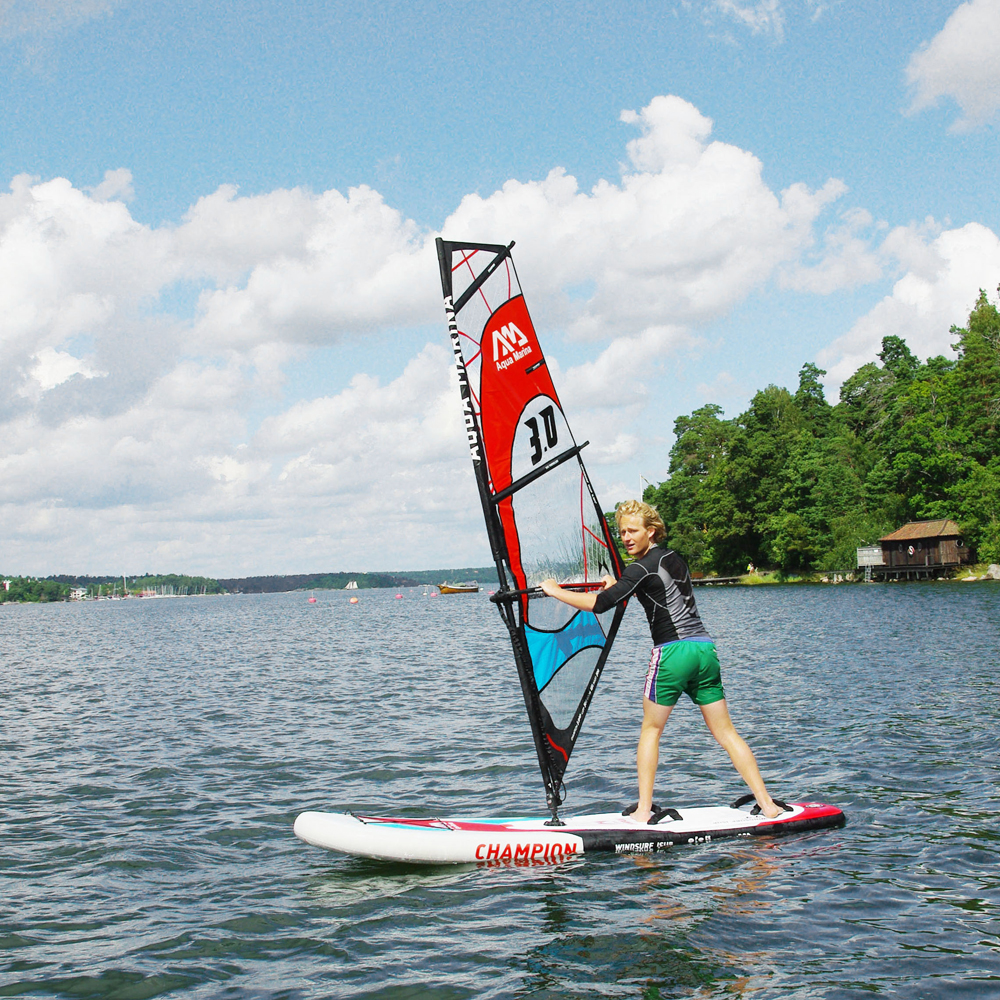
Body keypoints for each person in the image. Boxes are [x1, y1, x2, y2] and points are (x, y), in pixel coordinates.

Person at [540, 499, 783, 824]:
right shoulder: (673, 558)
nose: (626, 537)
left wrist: (554, 590)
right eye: (622, 532)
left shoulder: (639, 568)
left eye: (633, 531)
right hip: (704, 651)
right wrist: (619, 586)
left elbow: (600, 604)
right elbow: (655, 589)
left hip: (672, 654)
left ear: (651, 531)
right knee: (726, 732)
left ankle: (643, 810)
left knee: (651, 730)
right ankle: (767, 804)